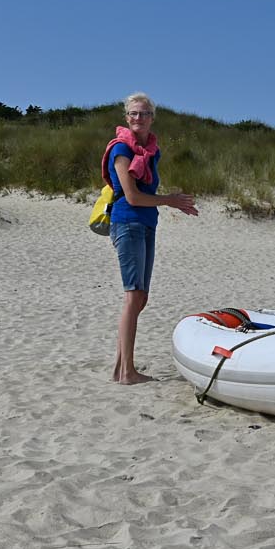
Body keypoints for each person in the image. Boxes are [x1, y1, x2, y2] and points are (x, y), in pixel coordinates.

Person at [105, 92, 197, 385]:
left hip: (146, 224)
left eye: (143, 114)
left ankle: (120, 367)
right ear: (126, 117)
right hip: (127, 222)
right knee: (133, 296)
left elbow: (146, 193)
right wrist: (169, 200)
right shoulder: (122, 149)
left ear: (152, 118)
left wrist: (169, 201)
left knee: (141, 297)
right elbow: (131, 196)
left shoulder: (151, 151)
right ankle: (126, 373)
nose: (138, 118)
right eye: (133, 113)